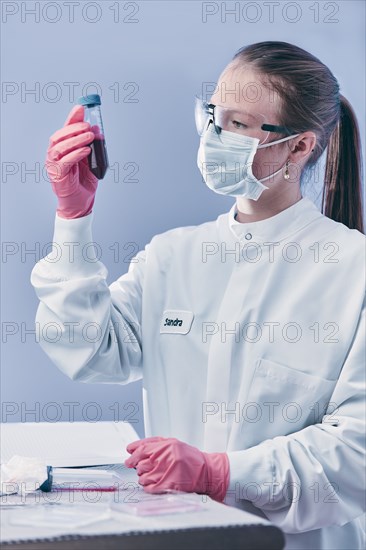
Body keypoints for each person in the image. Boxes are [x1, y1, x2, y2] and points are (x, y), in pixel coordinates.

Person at [31, 41, 365, 549]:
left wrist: (218, 473)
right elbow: (88, 350)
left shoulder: (352, 272)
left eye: (236, 123)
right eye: (211, 114)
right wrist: (73, 220)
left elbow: (357, 454)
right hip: (179, 537)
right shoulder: (174, 256)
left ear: (299, 147)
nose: (213, 135)